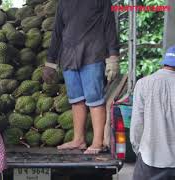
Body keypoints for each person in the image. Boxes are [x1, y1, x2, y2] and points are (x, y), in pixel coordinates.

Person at [42, 0, 120, 154]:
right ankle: (79, 140)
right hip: (69, 57)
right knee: (76, 100)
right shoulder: (64, 3)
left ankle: (98, 142)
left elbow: (110, 26)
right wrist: (50, 63)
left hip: (93, 55)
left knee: (95, 99)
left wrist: (113, 57)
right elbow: (57, 32)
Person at [130, 45, 175, 180]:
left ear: (165, 62)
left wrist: (139, 150)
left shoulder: (143, 83)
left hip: (150, 158)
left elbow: (137, 123)